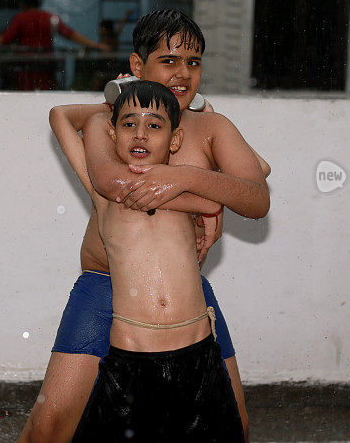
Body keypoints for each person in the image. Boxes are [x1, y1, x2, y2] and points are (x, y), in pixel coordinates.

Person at [18, 10, 270, 443]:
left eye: (193, 62)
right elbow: (68, 122)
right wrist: (116, 99)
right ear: (138, 66)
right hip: (104, 285)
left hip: (183, 297)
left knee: (235, 426)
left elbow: (258, 196)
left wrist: (188, 178)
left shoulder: (211, 127)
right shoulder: (113, 126)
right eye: (169, 61)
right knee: (49, 429)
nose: (183, 73)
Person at [52, 81, 244, 442]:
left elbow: (250, 176)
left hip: (199, 357)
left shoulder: (188, 187)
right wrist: (109, 104)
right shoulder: (104, 189)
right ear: (112, 132)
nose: (140, 134)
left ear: (175, 140)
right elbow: (60, 116)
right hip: (130, 361)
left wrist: (206, 118)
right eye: (128, 124)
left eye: (154, 125)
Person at [0, 0, 110, 90]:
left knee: (26, 95)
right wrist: (96, 45)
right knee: (46, 95)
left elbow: (5, 39)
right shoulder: (50, 18)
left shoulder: (21, 18)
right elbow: (70, 34)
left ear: (24, 4)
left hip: (26, 66)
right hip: (46, 65)